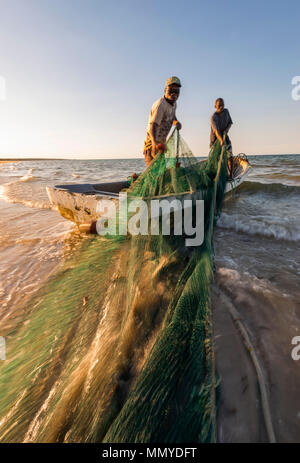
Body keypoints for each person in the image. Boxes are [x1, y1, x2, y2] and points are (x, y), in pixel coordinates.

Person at [143, 76, 182, 167]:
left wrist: (176, 122)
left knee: (161, 174)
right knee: (154, 176)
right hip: (152, 146)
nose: (173, 94)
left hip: (161, 146)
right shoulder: (161, 104)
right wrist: (154, 143)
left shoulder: (174, 104)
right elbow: (153, 125)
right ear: (165, 90)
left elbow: (172, 116)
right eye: (171, 90)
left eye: (176, 91)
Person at [210, 98, 234, 179]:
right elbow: (216, 131)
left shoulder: (226, 111)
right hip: (216, 141)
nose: (221, 106)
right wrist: (221, 141)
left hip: (225, 138)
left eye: (222, 105)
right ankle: (216, 177)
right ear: (215, 106)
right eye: (219, 105)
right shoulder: (213, 117)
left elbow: (230, 123)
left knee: (230, 157)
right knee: (217, 160)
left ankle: (231, 175)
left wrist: (226, 130)